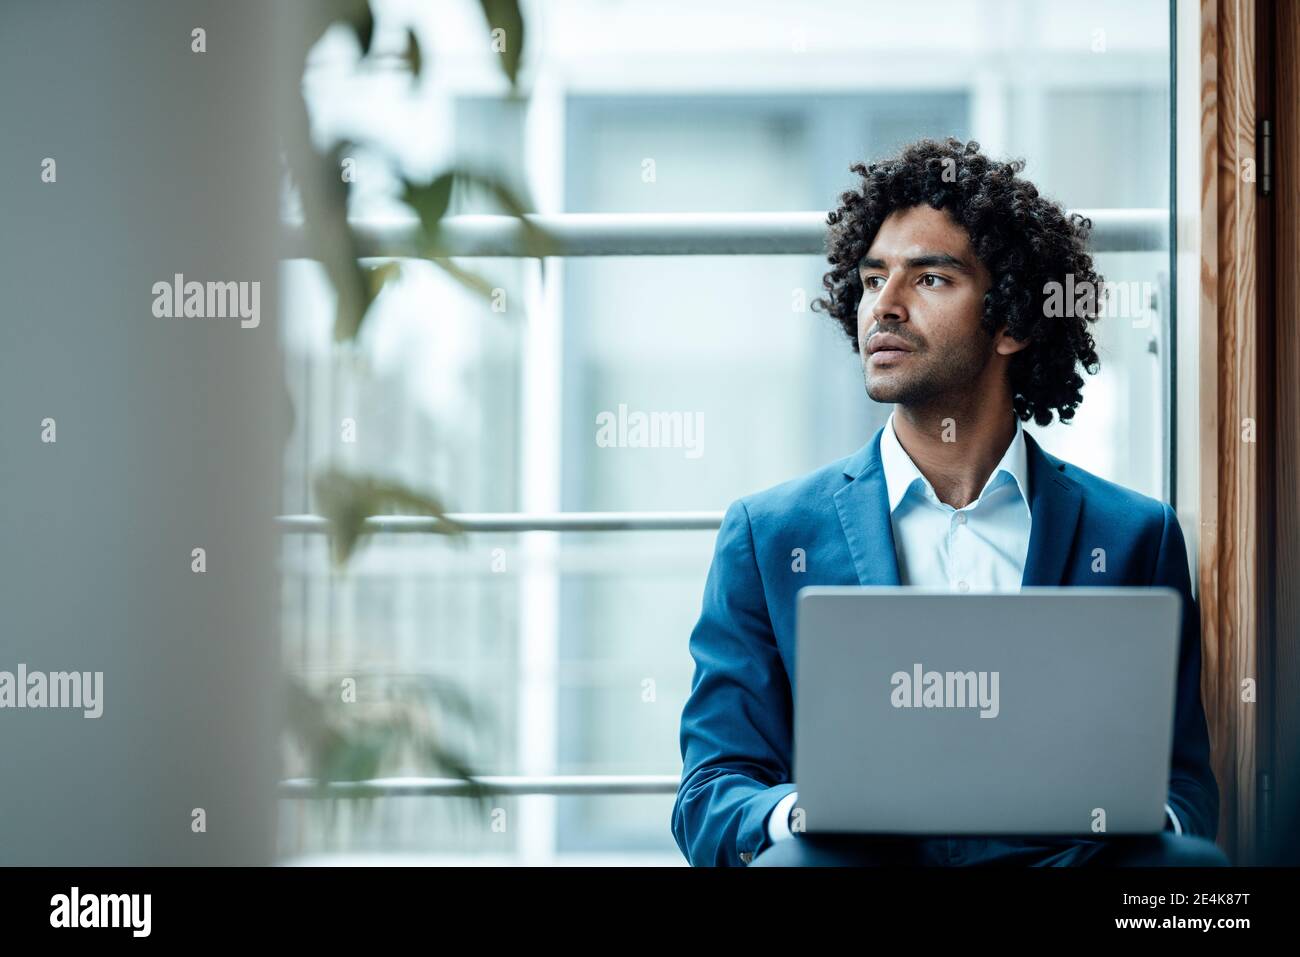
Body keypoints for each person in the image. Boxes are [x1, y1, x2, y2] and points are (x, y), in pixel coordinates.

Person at [670, 138, 1227, 867]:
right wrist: (807, 811)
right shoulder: (769, 535)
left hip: (1066, 866)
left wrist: (1124, 812)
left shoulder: (1134, 536)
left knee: (1193, 878)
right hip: (854, 868)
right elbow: (711, 791)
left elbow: (1184, 788)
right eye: (873, 280)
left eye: (929, 279)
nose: (885, 306)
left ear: (1013, 322)